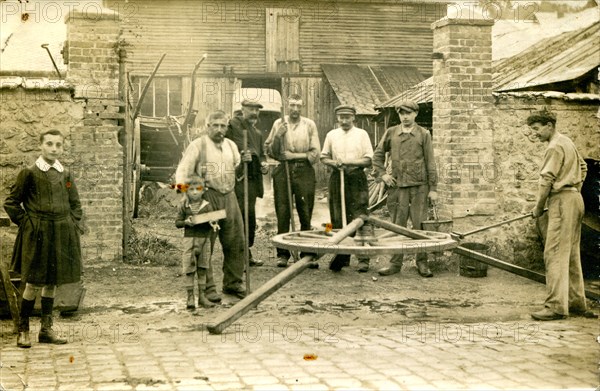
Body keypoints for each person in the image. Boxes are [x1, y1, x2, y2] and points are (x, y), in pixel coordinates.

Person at [4, 129, 82, 348]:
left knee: (52, 282)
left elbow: (75, 203)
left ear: (62, 148)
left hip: (60, 233)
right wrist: (28, 223)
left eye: (58, 145)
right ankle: (24, 330)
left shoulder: (65, 174)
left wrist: (72, 223)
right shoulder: (29, 173)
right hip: (37, 233)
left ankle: (46, 330)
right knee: (33, 282)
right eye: (49, 144)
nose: (54, 148)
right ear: (41, 146)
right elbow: (11, 203)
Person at [528, 109, 595, 321]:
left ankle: (556, 306)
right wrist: (574, 189)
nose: (535, 134)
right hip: (575, 200)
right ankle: (577, 303)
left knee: (554, 253)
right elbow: (583, 167)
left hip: (562, 202)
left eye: (537, 129)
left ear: (549, 125)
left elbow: (546, 180)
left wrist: (538, 208)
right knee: (571, 254)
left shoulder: (554, 147)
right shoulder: (567, 141)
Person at [176, 110, 250, 299]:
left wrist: (245, 161)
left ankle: (233, 284)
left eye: (223, 126)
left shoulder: (231, 146)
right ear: (207, 127)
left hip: (229, 197)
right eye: (215, 125)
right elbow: (182, 172)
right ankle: (207, 288)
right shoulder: (197, 146)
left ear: (227, 127)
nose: (219, 129)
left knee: (236, 242)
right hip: (208, 198)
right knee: (205, 243)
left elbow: (237, 169)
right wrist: (184, 196)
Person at [374, 100, 437, 278]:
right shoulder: (391, 132)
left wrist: (433, 188)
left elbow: (430, 162)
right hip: (397, 188)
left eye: (409, 113)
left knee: (419, 226)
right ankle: (395, 264)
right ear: (399, 115)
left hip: (419, 188)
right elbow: (377, 155)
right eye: (402, 113)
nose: (405, 117)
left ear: (415, 114)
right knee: (397, 226)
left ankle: (422, 263)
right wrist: (383, 175)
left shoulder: (424, 134)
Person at [265, 94, 321, 268]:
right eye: (292, 106)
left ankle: (307, 253)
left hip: (304, 170)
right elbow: (270, 151)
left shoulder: (309, 124)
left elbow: (315, 154)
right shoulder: (278, 124)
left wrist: (294, 156)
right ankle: (283, 254)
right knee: (283, 212)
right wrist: (277, 137)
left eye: (298, 106)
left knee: (305, 212)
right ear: (287, 106)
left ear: (302, 107)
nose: (295, 109)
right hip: (283, 170)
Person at [320, 105, 373, 272]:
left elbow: (368, 160)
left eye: (347, 117)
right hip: (337, 178)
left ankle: (363, 258)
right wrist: (334, 163)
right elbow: (323, 156)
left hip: (356, 178)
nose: (344, 120)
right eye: (341, 117)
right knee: (336, 216)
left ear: (353, 118)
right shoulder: (331, 135)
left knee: (360, 217)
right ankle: (342, 255)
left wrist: (349, 163)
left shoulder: (362, 134)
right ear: (337, 118)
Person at [226, 100, 269, 267]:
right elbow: (226, 147)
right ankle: (236, 256)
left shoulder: (257, 133)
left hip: (251, 181)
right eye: (250, 109)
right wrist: (240, 155)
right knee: (237, 217)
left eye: (257, 110)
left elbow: (262, 155)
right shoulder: (232, 125)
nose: (254, 113)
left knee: (249, 217)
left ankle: (246, 252)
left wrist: (263, 165)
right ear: (242, 109)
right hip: (236, 179)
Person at [175, 175, 219, 310]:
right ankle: (190, 297)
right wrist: (186, 223)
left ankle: (202, 296)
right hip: (189, 241)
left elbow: (213, 220)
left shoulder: (207, 206)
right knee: (189, 269)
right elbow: (177, 223)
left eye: (198, 189)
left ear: (203, 190)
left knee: (202, 268)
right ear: (186, 191)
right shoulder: (184, 206)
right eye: (191, 189)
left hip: (204, 240)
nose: (195, 192)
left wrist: (213, 223)